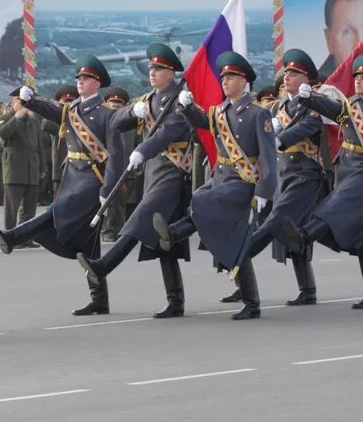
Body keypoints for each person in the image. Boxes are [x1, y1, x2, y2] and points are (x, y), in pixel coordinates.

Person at [0, 56, 125, 317]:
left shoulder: (108, 115)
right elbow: (51, 111)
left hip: (91, 181)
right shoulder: (72, 108)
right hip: (72, 177)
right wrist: (30, 101)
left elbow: (117, 156)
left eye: (85, 78)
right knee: (89, 245)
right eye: (79, 78)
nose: (80, 82)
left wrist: (108, 190)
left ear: (97, 83)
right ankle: (100, 299)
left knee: (55, 213)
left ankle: (13, 237)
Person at [152, 51, 276, 320]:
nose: (225, 81)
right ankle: (251, 303)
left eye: (231, 76)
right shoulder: (220, 111)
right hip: (221, 179)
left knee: (203, 202)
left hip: (243, 183)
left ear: (244, 81)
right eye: (223, 77)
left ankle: (174, 234)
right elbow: (202, 123)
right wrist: (186, 108)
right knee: (233, 239)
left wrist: (265, 192)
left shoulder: (258, 114)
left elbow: (268, 158)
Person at [279, 54, 363, 310]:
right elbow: (331, 110)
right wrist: (308, 97)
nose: (358, 81)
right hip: (346, 171)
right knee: (361, 237)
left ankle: (303, 236)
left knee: (334, 204)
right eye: (357, 76)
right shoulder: (350, 105)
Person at [78, 43, 194, 319]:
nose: (152, 72)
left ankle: (104, 265)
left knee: (141, 219)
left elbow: (168, 132)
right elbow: (114, 122)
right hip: (153, 174)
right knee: (164, 242)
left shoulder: (180, 101)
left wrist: (143, 149)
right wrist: (132, 112)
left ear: (172, 73)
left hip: (172, 173)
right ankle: (175, 301)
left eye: (159, 69)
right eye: (152, 68)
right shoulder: (148, 100)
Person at [238, 49, 325, 306]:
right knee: (293, 232)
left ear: (306, 78)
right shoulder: (277, 106)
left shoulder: (314, 103)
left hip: (305, 174)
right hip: (282, 174)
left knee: (277, 222)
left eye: (294, 73)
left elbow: (309, 126)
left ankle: (240, 256)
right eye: (286, 72)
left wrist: (279, 137)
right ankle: (308, 289)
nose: (287, 77)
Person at [0, 87, 43, 242]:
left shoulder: (33, 121)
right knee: (12, 208)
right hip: (14, 170)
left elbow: (39, 146)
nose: (25, 105)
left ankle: (25, 238)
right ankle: (9, 237)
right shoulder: (5, 118)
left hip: (32, 168)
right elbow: (3, 133)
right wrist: (17, 116)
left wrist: (42, 167)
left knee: (29, 208)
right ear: (14, 101)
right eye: (21, 102)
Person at [99, 86, 135, 242]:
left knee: (122, 201)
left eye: (118, 105)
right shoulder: (102, 122)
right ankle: (107, 229)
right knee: (109, 200)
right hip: (107, 168)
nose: (115, 107)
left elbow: (138, 144)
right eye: (112, 104)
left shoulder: (131, 124)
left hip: (128, 167)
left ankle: (120, 228)